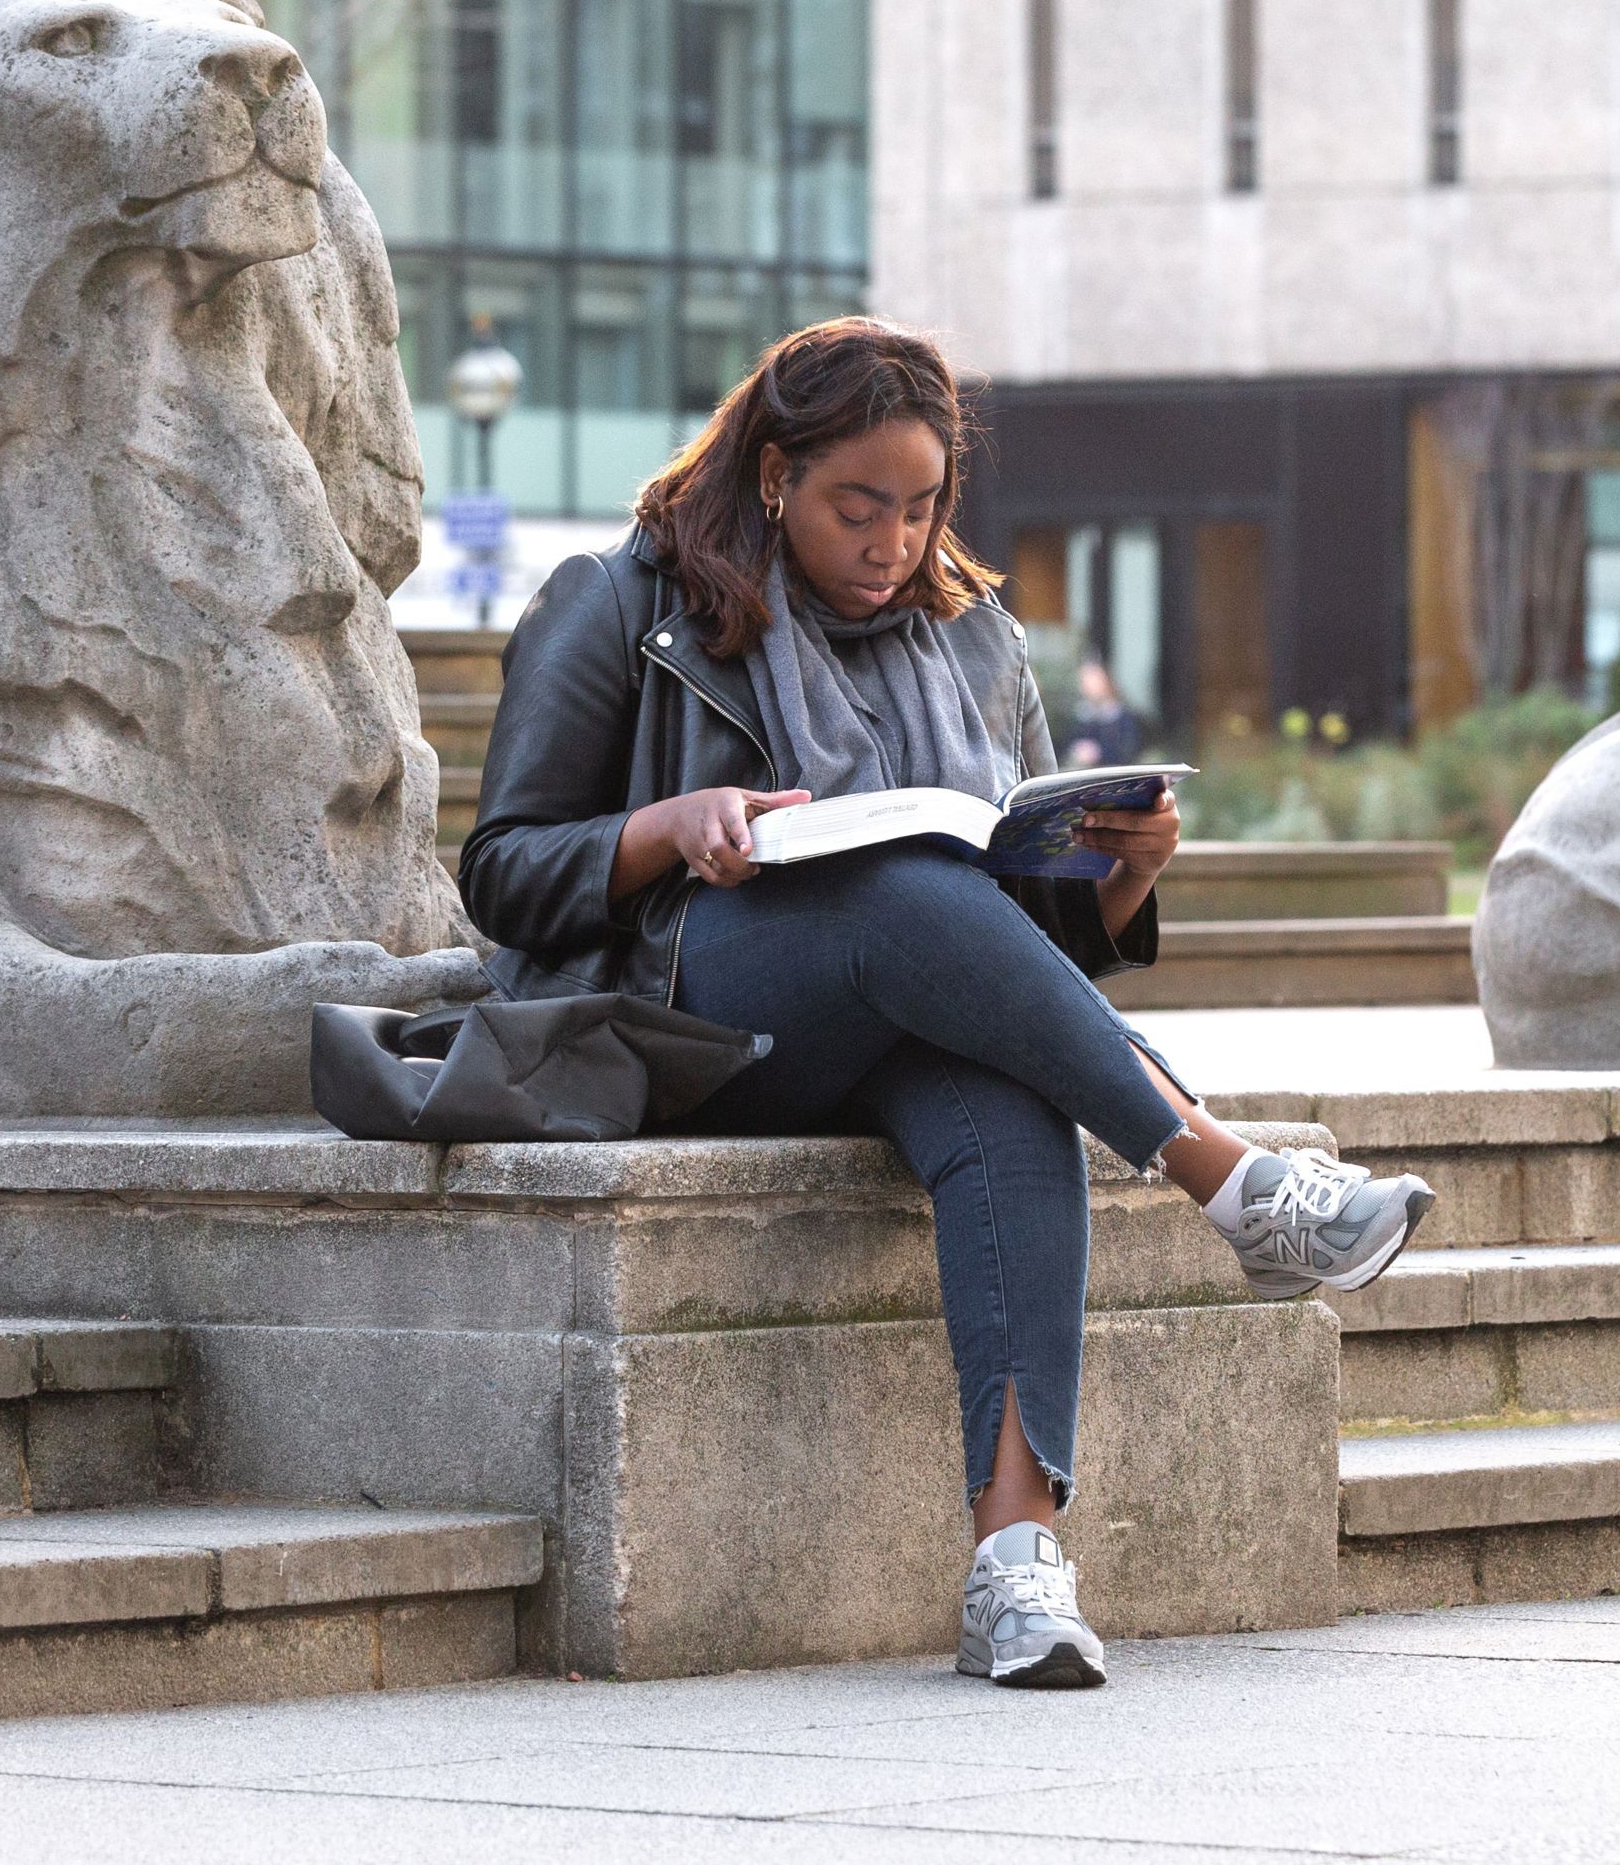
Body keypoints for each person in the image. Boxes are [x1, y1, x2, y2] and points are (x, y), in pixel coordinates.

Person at [458, 318, 1433, 1690]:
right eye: (861, 506)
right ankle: (1233, 1182)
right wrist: (670, 826)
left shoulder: (975, 638)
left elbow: (1011, 955)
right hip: (694, 1012)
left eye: (922, 510)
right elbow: (501, 874)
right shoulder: (625, 602)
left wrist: (1112, 886)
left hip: (900, 1010)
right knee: (899, 883)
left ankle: (1015, 1566)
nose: (895, 542)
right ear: (779, 472)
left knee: (1010, 1093)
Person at [1064, 657, 1144, 768]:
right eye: (1085, 682)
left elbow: (1129, 750)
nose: (1089, 687)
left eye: (1094, 681)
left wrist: (1099, 753)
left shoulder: (1123, 716)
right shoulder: (1081, 716)